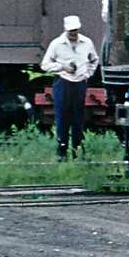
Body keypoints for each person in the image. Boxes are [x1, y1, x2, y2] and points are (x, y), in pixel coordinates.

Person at [41, 16, 99, 160]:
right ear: (66, 29)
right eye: (71, 30)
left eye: (75, 30)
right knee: (62, 116)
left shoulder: (87, 43)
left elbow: (94, 59)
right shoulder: (57, 44)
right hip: (62, 82)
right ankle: (62, 149)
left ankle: (77, 149)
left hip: (79, 82)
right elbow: (45, 64)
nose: (74, 32)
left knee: (78, 117)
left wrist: (88, 74)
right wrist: (61, 67)